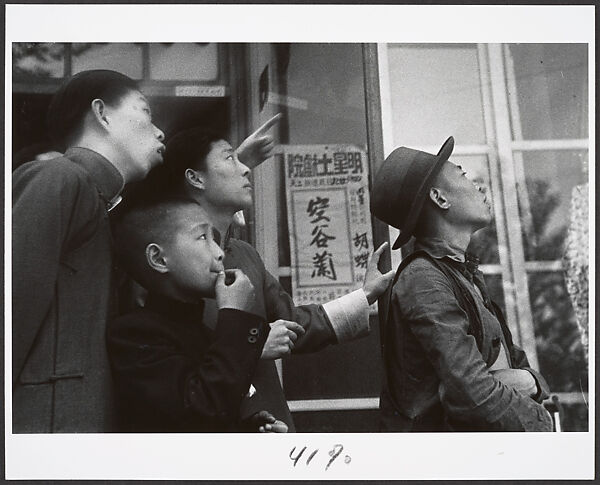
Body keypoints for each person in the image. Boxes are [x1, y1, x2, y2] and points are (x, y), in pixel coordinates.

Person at [129, 126, 394, 431]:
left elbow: (292, 320)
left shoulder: (242, 253)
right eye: (231, 159)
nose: (246, 170)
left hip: (267, 423)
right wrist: (250, 346)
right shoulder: (168, 267)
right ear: (195, 178)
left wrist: (365, 296)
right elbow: (172, 366)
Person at [12, 69, 166, 432]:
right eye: (145, 111)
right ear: (102, 113)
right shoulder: (59, 178)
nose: (159, 131)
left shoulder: (99, 200)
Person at [371, 137, 553, 432]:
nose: (479, 185)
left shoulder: (462, 274)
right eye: (463, 175)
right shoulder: (423, 278)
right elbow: (472, 394)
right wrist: (543, 422)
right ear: (440, 198)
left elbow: (517, 366)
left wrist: (530, 381)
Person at [107, 197, 283, 432]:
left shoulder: (202, 332)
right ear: (159, 259)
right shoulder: (134, 334)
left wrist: (247, 431)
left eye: (216, 239)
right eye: (202, 238)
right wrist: (234, 313)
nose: (220, 253)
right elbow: (200, 410)